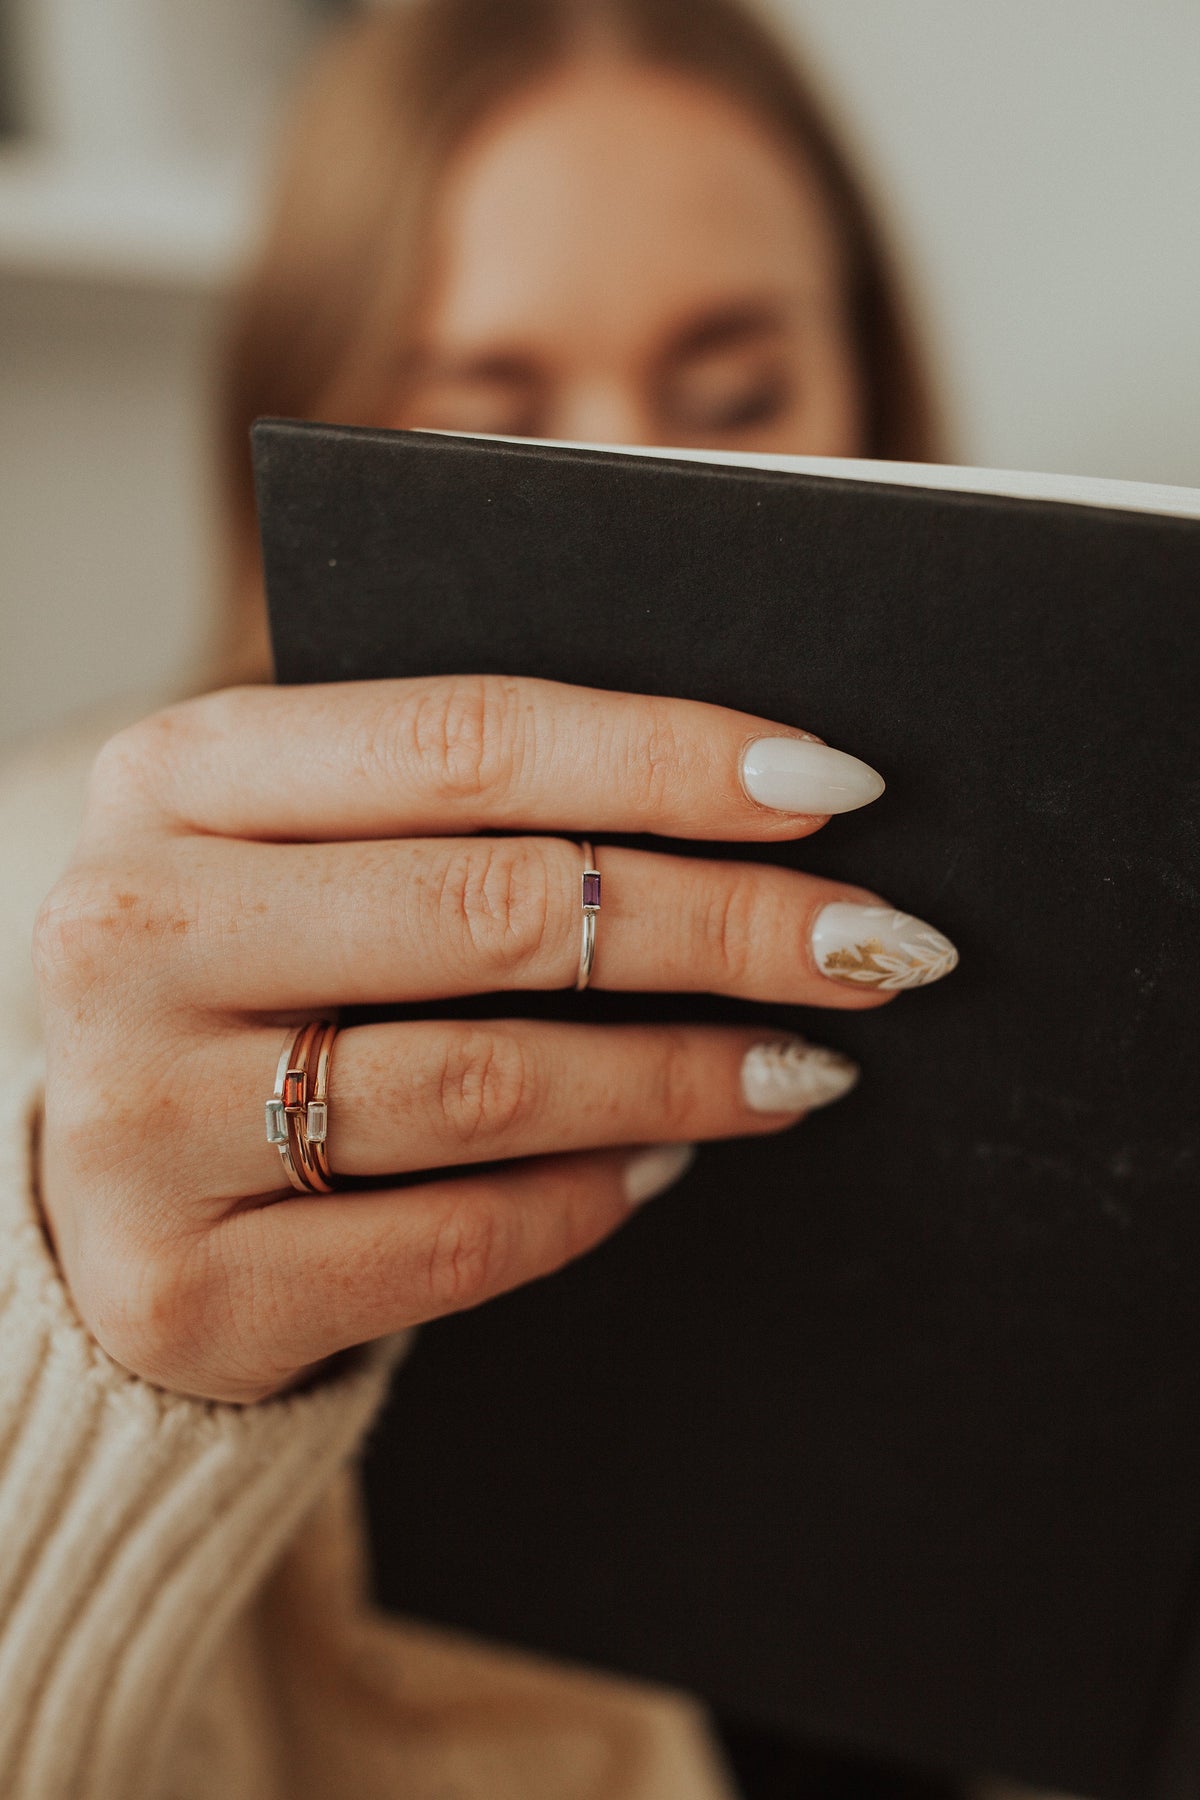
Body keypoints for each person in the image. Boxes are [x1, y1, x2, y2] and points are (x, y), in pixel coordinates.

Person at [0, 2, 963, 1796]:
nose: (647, 493)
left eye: (738, 394)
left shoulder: (1058, 871)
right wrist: (110, 1372)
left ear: (876, 397)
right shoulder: (56, 938)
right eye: (486, 422)